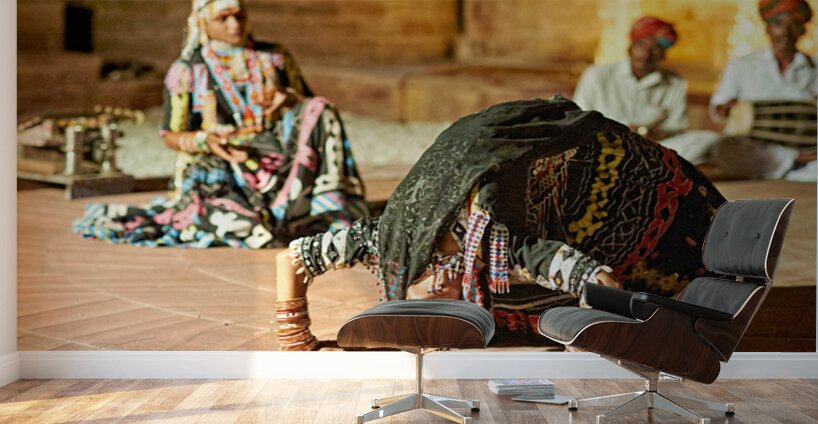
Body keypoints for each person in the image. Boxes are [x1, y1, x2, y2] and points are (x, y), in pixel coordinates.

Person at [274, 97, 727, 351]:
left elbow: (587, 272)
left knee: (656, 226)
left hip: (591, 169)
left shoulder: (493, 243)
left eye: (438, 295)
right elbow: (293, 259)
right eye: (441, 304)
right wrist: (297, 339)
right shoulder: (388, 244)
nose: (437, 289)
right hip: (492, 170)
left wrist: (612, 327)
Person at [74, 0, 368, 248]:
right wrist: (204, 140)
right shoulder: (187, 71)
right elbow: (170, 135)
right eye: (223, 18)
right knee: (244, 226)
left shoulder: (274, 57)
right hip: (221, 166)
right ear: (202, 22)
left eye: (239, 15)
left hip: (280, 161)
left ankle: (326, 207)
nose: (234, 25)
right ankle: (264, 215)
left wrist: (289, 99)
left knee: (321, 108)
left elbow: (309, 109)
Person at [573, 16, 719, 165]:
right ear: (630, 48)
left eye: (655, 49)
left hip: (651, 147)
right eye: (641, 45)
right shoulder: (597, 75)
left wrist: (651, 133)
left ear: (663, 54)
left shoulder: (675, 82)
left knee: (707, 139)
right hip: (605, 147)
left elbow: (677, 127)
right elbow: (579, 119)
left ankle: (646, 162)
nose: (646, 54)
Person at [710, 0, 817, 181]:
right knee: (724, 148)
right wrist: (724, 109)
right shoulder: (741, 65)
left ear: (803, 29)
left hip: (805, 146)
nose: (785, 33)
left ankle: (794, 166)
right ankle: (794, 165)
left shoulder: (814, 66)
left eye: (794, 25)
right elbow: (718, 108)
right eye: (779, 24)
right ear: (767, 28)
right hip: (755, 147)